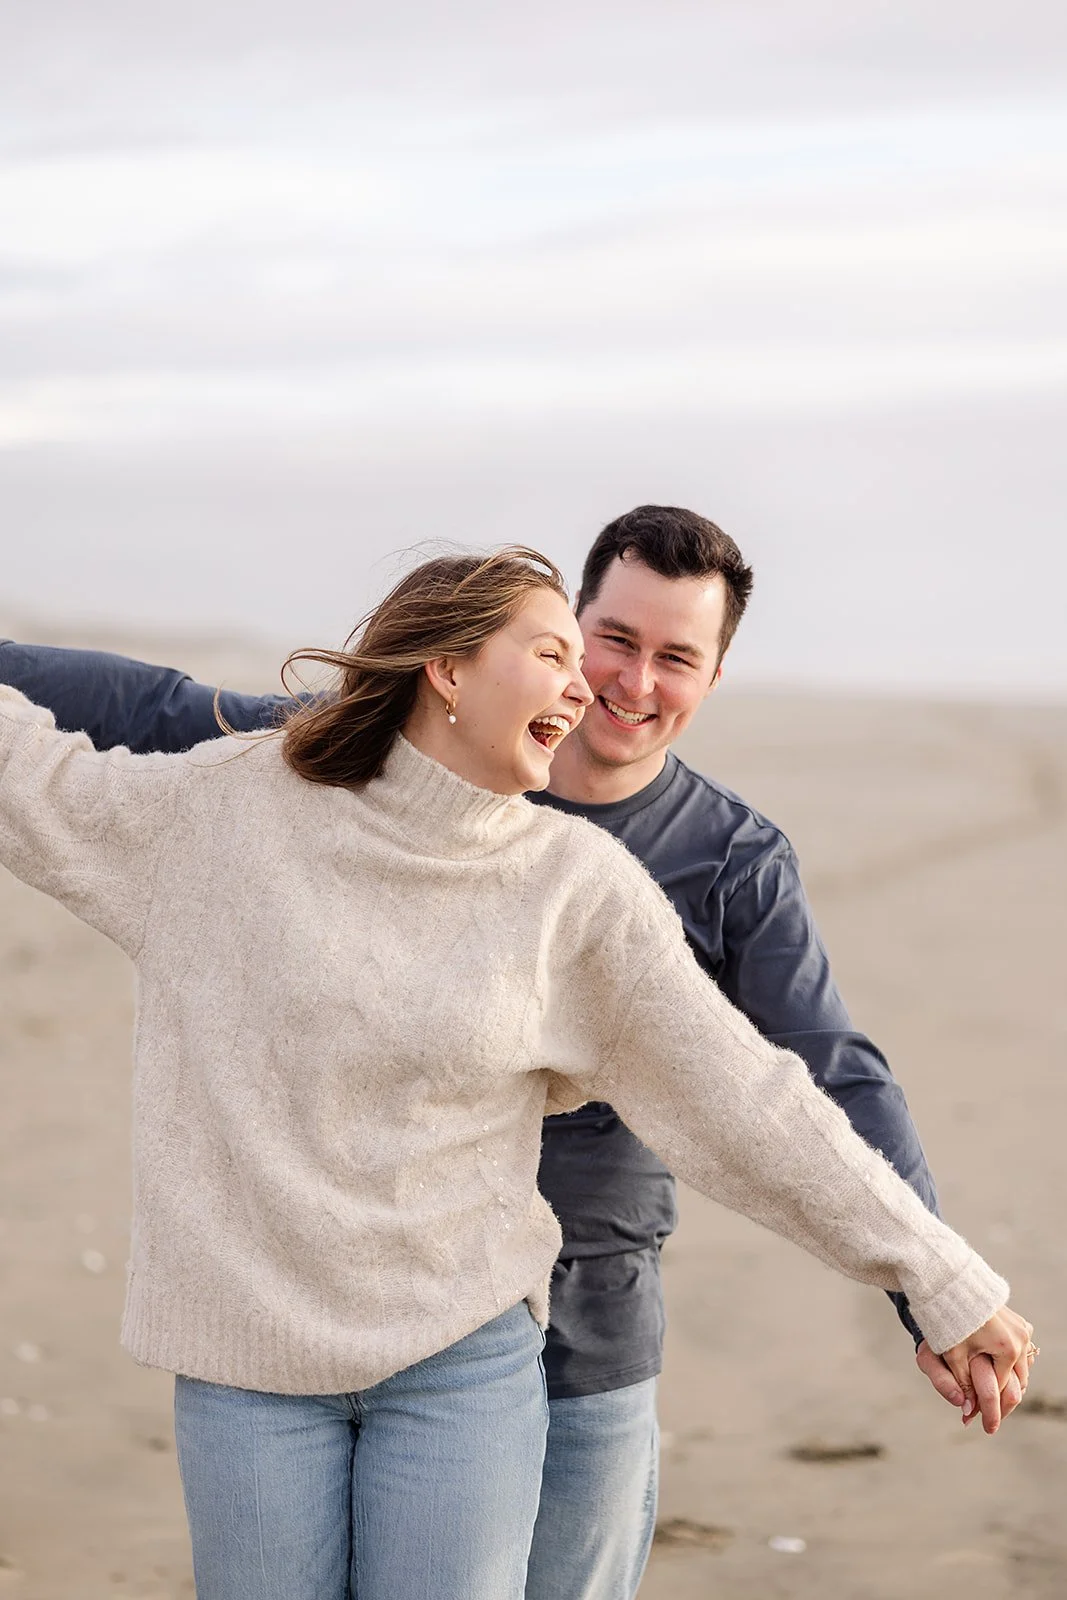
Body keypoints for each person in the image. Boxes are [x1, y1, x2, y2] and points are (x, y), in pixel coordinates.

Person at [0, 512, 1033, 1600]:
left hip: (522, 1341)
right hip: (257, 1348)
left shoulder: (628, 881)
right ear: (447, 670)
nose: (610, 684)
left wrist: (930, 1277)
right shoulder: (259, 792)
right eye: (580, 647)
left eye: (674, 657)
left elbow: (772, 1096)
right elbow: (100, 740)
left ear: (712, 677)